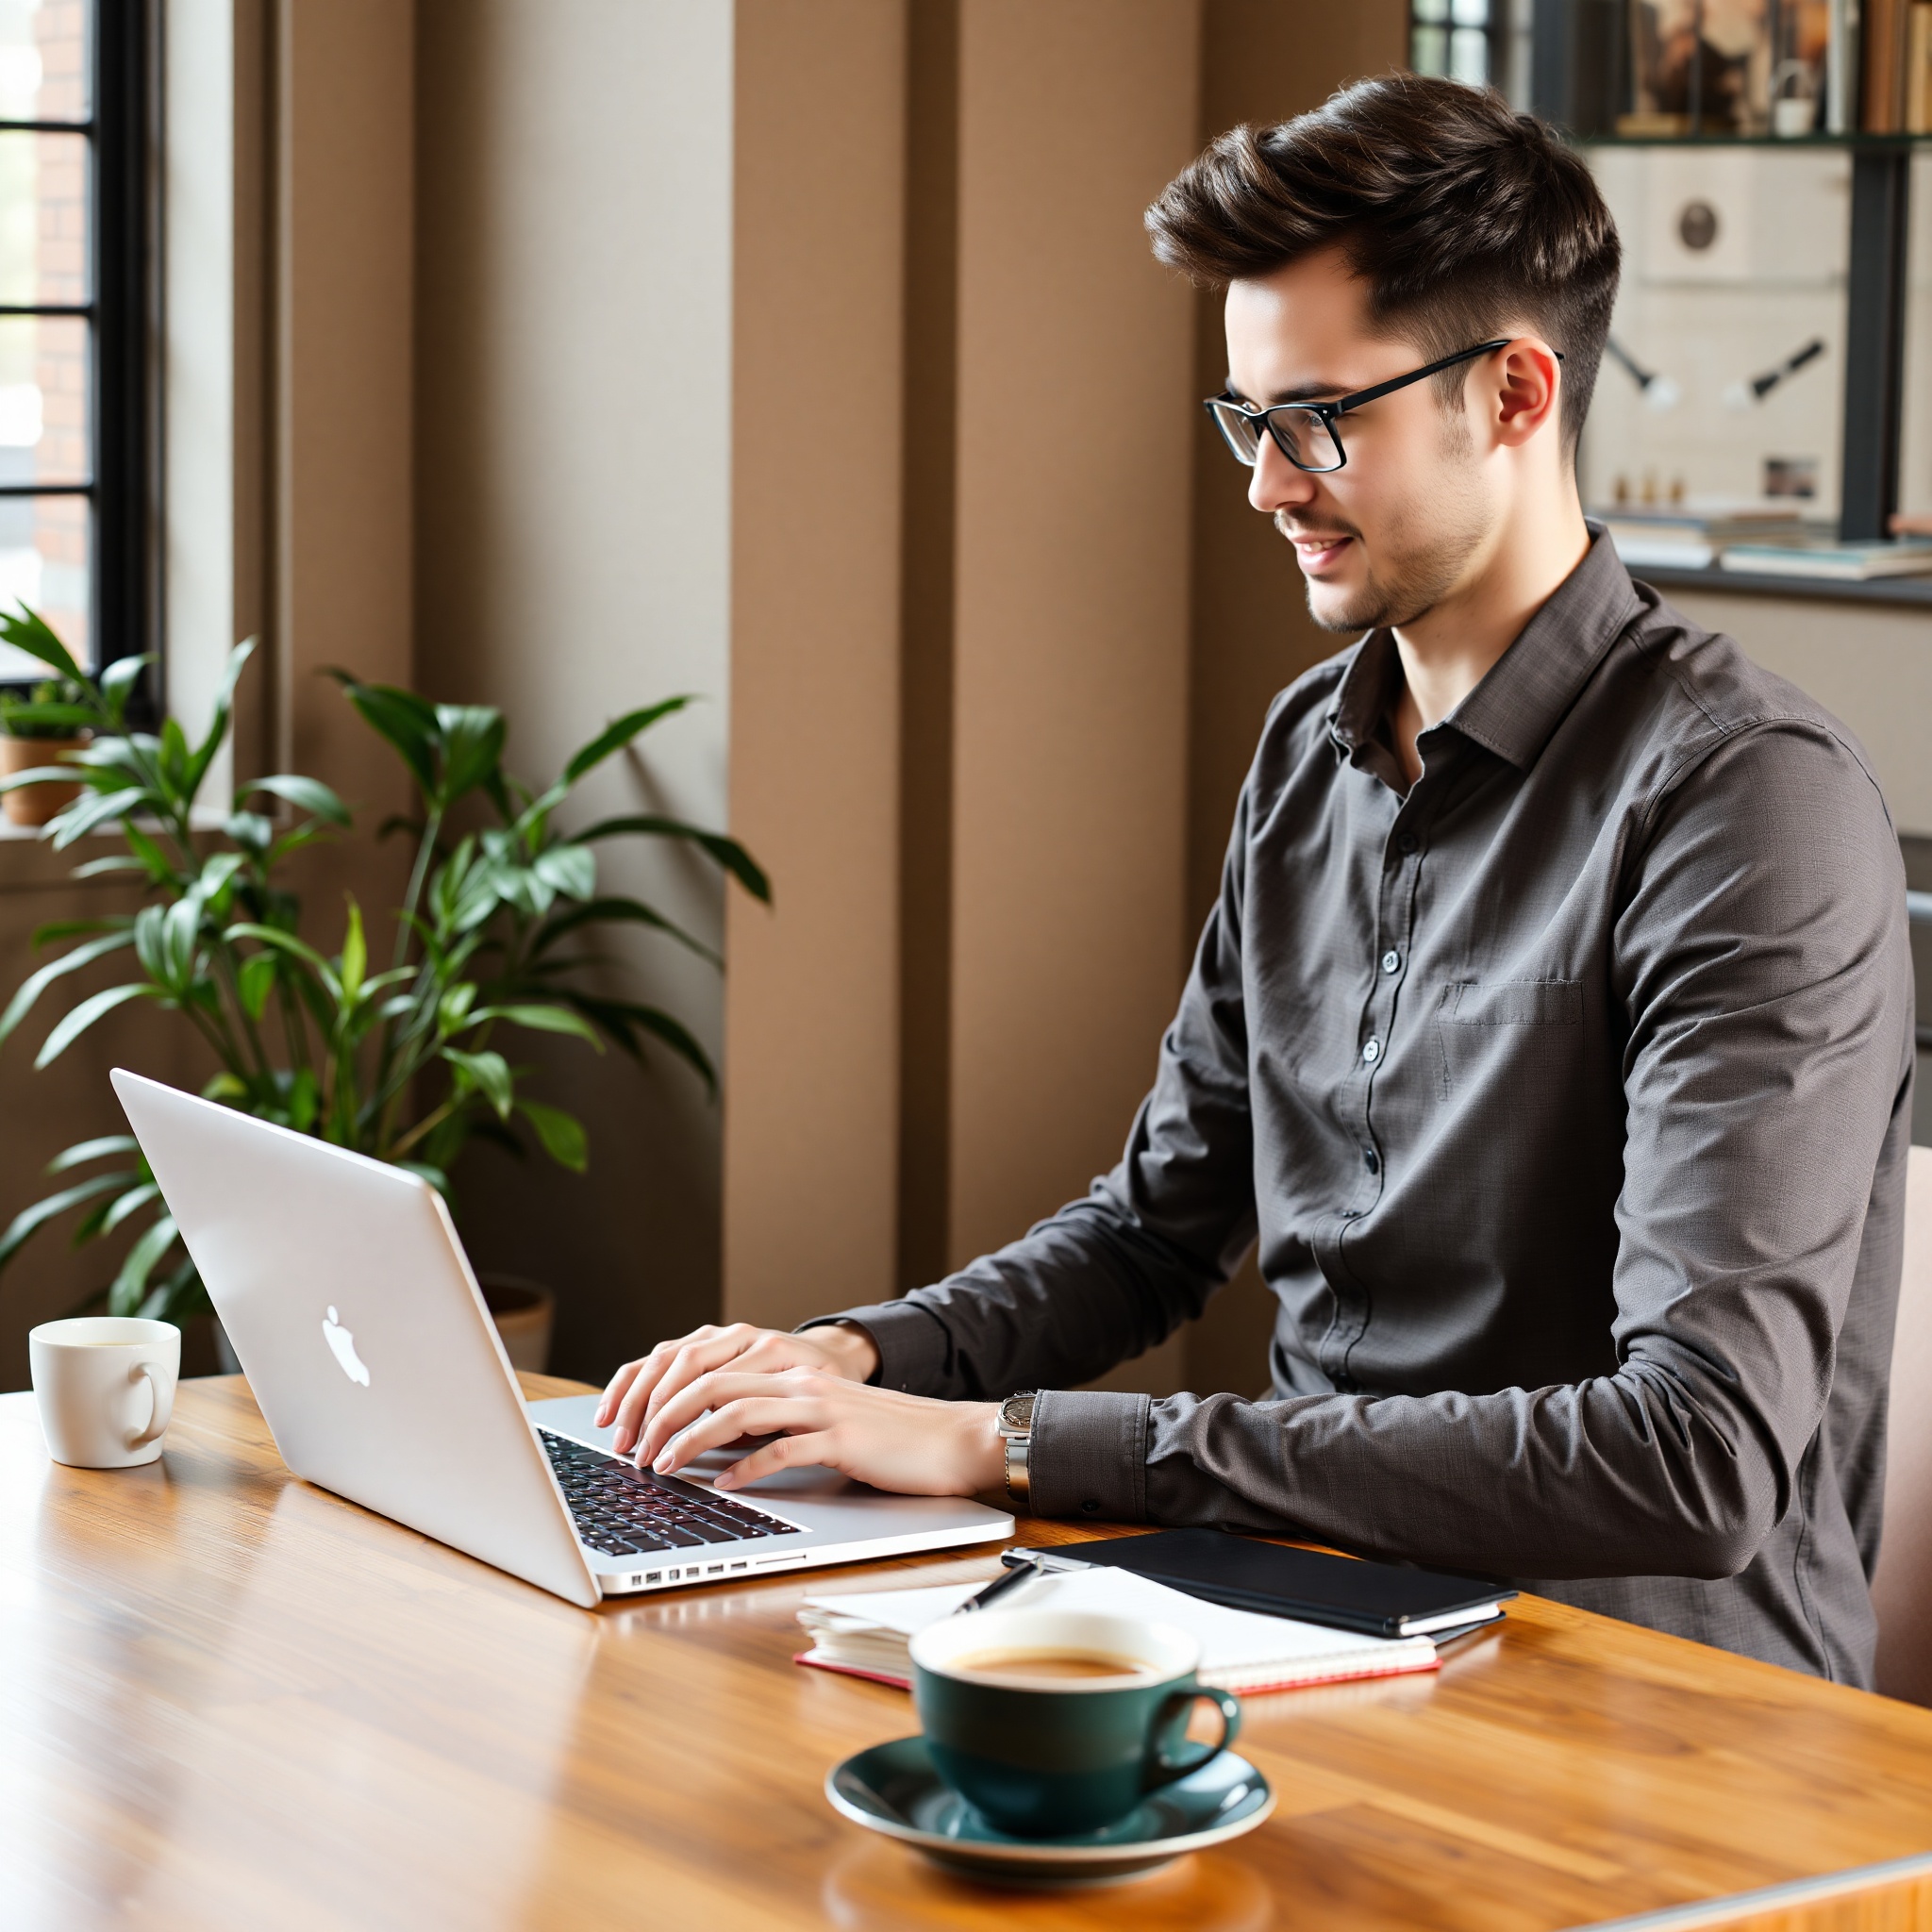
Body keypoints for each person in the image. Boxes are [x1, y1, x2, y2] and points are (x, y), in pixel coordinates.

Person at [596, 74, 1913, 1685]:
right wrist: (850, 1361)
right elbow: (1157, 1228)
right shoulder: (1316, 749)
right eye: (1247, 420)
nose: (1265, 485)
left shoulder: (1746, 803)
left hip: (1652, 1712)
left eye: (1317, 420)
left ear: (1512, 393)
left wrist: (1006, 1442)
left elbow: (1691, 1456)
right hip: (1307, 1624)